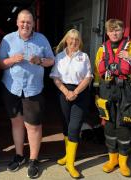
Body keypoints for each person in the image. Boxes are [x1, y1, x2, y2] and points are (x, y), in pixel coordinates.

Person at [0, 9, 54, 178]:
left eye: (28, 22)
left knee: (33, 126)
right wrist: (12, 60)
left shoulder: (42, 39)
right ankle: (19, 156)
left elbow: (51, 60)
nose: (25, 24)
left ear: (33, 24)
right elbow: (0, 64)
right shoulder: (7, 39)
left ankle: (33, 160)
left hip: (33, 88)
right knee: (16, 122)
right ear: (17, 22)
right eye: (22, 21)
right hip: (12, 88)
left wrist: (40, 61)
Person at [94, 19, 131, 177]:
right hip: (107, 89)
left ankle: (123, 161)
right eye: (111, 30)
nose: (114, 33)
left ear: (122, 31)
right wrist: (97, 93)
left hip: (126, 90)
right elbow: (96, 73)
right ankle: (112, 159)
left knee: (124, 124)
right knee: (109, 124)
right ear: (107, 33)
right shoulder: (101, 49)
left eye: (117, 30)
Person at [50, 29, 93, 178]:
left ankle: (70, 164)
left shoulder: (84, 56)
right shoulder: (59, 56)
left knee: (74, 127)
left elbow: (88, 77)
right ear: (66, 40)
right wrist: (66, 91)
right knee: (66, 126)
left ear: (79, 41)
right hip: (64, 92)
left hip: (80, 94)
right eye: (71, 39)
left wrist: (75, 92)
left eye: (76, 39)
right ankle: (67, 156)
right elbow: (55, 77)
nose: (74, 42)